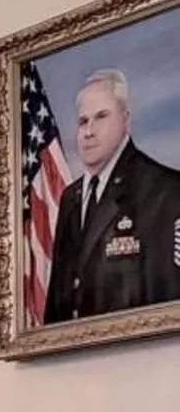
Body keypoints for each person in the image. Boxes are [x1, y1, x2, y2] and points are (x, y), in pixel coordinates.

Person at [44, 68, 180, 322]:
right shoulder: (70, 198)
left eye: (101, 117)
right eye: (83, 121)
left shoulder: (165, 191)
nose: (89, 131)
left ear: (126, 120)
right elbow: (57, 304)